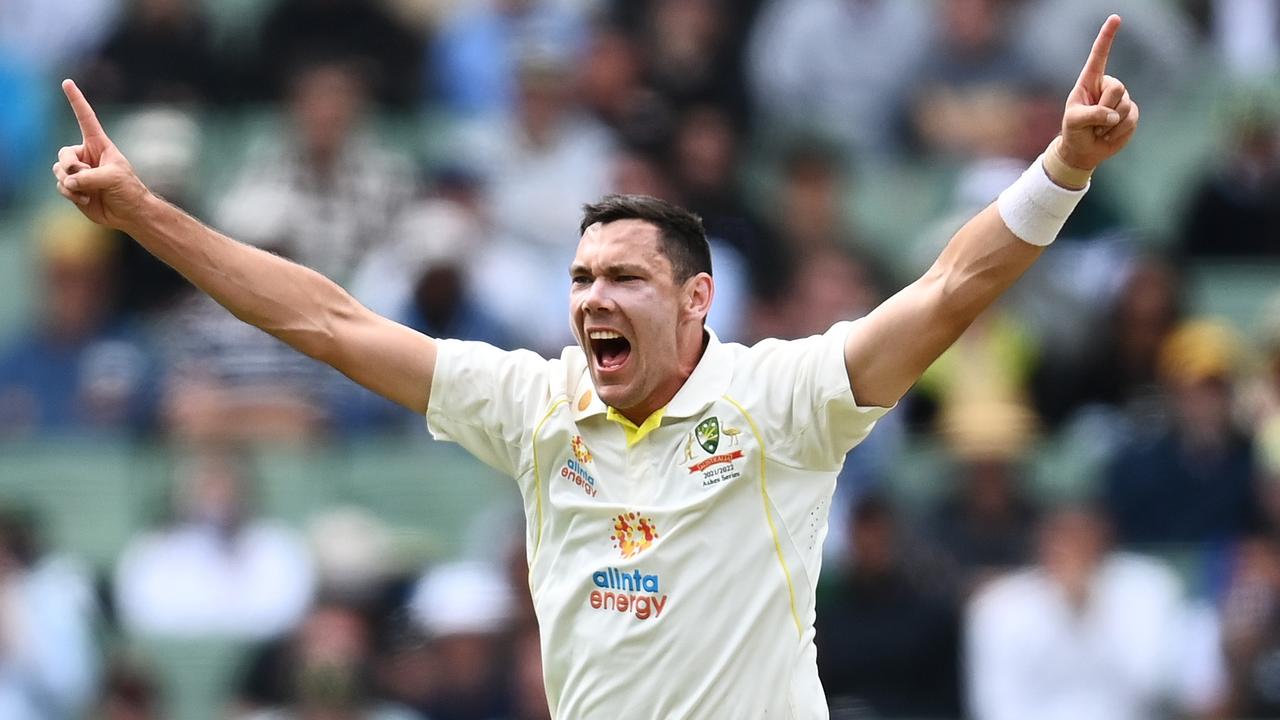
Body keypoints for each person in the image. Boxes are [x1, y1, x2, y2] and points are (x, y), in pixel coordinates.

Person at [52, 15, 1140, 718]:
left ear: (695, 297)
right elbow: (331, 323)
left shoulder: (781, 400)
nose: (590, 301)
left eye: (622, 277)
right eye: (578, 280)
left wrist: (1061, 166)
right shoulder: (536, 407)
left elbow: (947, 288)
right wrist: (144, 215)